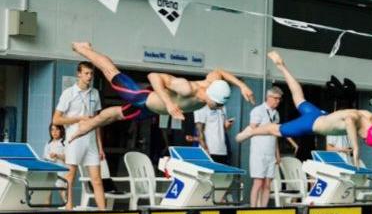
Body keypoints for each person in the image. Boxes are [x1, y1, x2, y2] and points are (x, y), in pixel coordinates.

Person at [237, 51, 372, 179]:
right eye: (363, 138)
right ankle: (251, 131)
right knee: (276, 130)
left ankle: (281, 66)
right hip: (311, 124)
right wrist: (356, 149)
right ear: (366, 134)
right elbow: (349, 123)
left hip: (320, 114)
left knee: (298, 97)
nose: (361, 138)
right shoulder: (354, 118)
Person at [68, 42, 255, 142]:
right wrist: (168, 103)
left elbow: (220, 71)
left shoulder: (212, 82)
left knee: (117, 115)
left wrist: (242, 85)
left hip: (152, 109)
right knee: (112, 73)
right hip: (145, 99)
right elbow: (153, 76)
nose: (218, 107)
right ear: (211, 96)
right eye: (218, 104)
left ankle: (87, 127)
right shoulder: (187, 88)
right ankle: (83, 48)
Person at [52, 61, 106, 210]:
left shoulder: (94, 93)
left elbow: (97, 122)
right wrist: (79, 118)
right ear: (79, 74)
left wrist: (100, 147)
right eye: (86, 73)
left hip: (91, 142)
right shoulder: (68, 93)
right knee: (70, 177)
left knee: (97, 179)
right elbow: (56, 119)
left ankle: (104, 213)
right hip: (74, 138)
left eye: (91, 74)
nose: (89, 77)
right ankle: (69, 208)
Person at [44, 124, 68, 203]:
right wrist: (49, 157)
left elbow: (68, 158)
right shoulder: (48, 143)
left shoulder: (64, 142)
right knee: (47, 191)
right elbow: (45, 157)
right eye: (52, 130)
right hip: (51, 170)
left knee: (62, 191)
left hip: (61, 170)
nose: (54, 132)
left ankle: (67, 207)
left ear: (61, 130)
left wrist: (57, 155)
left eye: (57, 129)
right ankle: (47, 210)